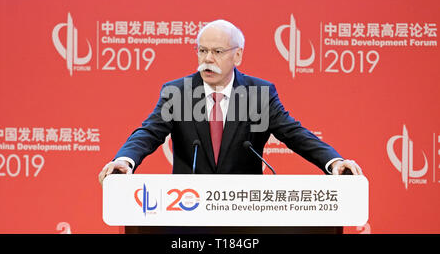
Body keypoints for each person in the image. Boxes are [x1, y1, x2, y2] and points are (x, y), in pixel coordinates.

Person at [98, 19, 362, 184]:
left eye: (217, 52)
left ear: (237, 56)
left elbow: (294, 134)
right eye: (202, 50)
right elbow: (148, 132)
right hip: (187, 205)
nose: (207, 59)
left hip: (244, 208)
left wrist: (334, 162)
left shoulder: (259, 93)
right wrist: (125, 160)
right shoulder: (177, 91)